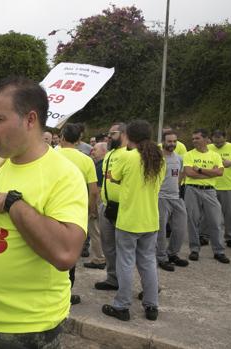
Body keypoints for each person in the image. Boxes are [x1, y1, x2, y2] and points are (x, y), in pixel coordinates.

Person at [0, 77, 87, 348]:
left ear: (30, 120)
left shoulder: (63, 175)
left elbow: (65, 253)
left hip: (29, 328)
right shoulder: (2, 163)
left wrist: (11, 203)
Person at [101, 120, 165, 322]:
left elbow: (113, 177)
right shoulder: (158, 158)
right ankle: (151, 305)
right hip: (151, 220)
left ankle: (122, 306)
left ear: (129, 136)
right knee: (148, 262)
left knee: (125, 262)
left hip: (128, 220)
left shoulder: (128, 158)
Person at [58, 123, 98, 305]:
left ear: (62, 137)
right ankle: (66, 294)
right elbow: (94, 191)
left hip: (51, 209)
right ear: (79, 140)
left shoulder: (51, 155)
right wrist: (90, 210)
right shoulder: (86, 160)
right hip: (76, 213)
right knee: (70, 254)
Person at [183, 129, 230, 264]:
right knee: (193, 220)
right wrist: (210, 173)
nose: (194, 141)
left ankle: (219, 251)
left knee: (216, 221)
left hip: (210, 191)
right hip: (192, 190)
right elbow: (189, 173)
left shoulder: (214, 156)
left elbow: (220, 172)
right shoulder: (189, 154)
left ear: (205, 139)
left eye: (197, 138)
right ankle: (194, 250)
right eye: (193, 139)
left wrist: (199, 169)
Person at [95, 122, 128, 291]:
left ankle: (147, 283)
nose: (108, 137)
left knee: (128, 249)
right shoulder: (110, 153)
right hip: (107, 205)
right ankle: (113, 278)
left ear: (123, 134)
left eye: (112, 133)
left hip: (124, 207)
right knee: (108, 246)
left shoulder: (130, 153)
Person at [155, 130, 190, 272]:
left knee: (180, 227)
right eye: (169, 141)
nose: (172, 144)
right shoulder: (157, 158)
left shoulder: (179, 158)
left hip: (176, 197)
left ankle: (173, 254)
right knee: (161, 231)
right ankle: (161, 257)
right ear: (163, 142)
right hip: (161, 198)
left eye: (174, 141)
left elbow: (181, 173)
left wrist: (177, 186)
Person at [208, 130, 231, 251]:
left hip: (228, 187)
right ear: (211, 138)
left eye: (220, 140)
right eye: (215, 139)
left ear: (225, 138)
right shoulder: (208, 148)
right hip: (210, 186)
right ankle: (204, 236)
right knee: (206, 215)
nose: (217, 143)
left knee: (229, 215)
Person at [84, 141, 107, 270]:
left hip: (97, 201)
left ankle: (99, 258)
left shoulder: (99, 166)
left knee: (94, 230)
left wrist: (92, 207)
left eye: (95, 149)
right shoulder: (103, 163)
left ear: (104, 151)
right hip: (102, 201)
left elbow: (96, 190)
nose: (92, 151)